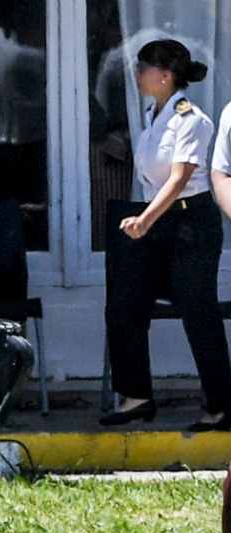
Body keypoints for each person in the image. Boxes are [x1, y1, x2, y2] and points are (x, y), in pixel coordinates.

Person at [102, 39, 231, 431]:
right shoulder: (153, 116)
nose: (138, 74)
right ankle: (136, 395)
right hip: (155, 221)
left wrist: (144, 220)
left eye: (143, 67)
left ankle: (221, 405)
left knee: (198, 312)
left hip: (189, 223)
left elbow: (179, 179)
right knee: (124, 305)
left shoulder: (193, 119)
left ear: (166, 75)